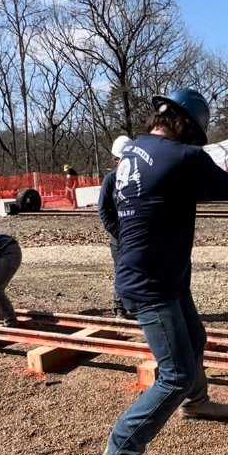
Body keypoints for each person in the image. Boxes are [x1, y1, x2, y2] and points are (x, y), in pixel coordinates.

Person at [100, 87, 228, 455]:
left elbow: (107, 204)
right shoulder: (185, 156)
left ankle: (197, 402)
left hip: (157, 274)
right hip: (153, 283)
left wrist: (133, 242)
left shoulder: (130, 154)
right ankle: (119, 453)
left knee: (195, 338)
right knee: (176, 373)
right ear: (186, 124)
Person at [98, 135, 131, 318]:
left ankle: (135, 306)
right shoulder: (111, 180)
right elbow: (103, 210)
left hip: (136, 235)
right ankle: (120, 308)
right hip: (119, 236)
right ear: (116, 160)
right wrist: (116, 231)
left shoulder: (136, 177)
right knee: (121, 270)